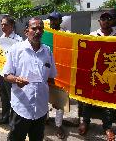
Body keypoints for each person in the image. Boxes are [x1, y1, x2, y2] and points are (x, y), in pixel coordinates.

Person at [4, 17, 57, 141]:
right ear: (26, 31)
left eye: (40, 29)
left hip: (41, 109)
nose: (38, 31)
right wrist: (16, 80)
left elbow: (51, 78)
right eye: (34, 28)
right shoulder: (15, 49)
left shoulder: (47, 51)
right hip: (21, 108)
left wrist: (57, 99)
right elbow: (6, 75)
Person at [78, 11, 116, 141]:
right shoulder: (92, 36)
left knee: (108, 100)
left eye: (109, 18)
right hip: (94, 71)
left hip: (110, 73)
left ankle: (107, 127)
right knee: (88, 99)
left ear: (113, 21)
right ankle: (85, 122)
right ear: (99, 21)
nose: (106, 20)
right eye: (103, 18)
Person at [0, 15, 22, 125]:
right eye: (1, 24)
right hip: (1, 73)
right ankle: (4, 117)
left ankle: (14, 120)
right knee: (4, 96)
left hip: (12, 74)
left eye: (5, 24)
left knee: (13, 97)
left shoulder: (18, 40)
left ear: (12, 26)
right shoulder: (0, 39)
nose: (3, 26)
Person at [48, 10, 66, 139]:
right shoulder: (45, 34)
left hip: (61, 73)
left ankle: (58, 125)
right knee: (44, 97)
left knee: (59, 101)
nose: (52, 22)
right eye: (51, 19)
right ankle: (46, 118)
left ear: (60, 21)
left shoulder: (66, 35)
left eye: (55, 19)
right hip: (47, 71)